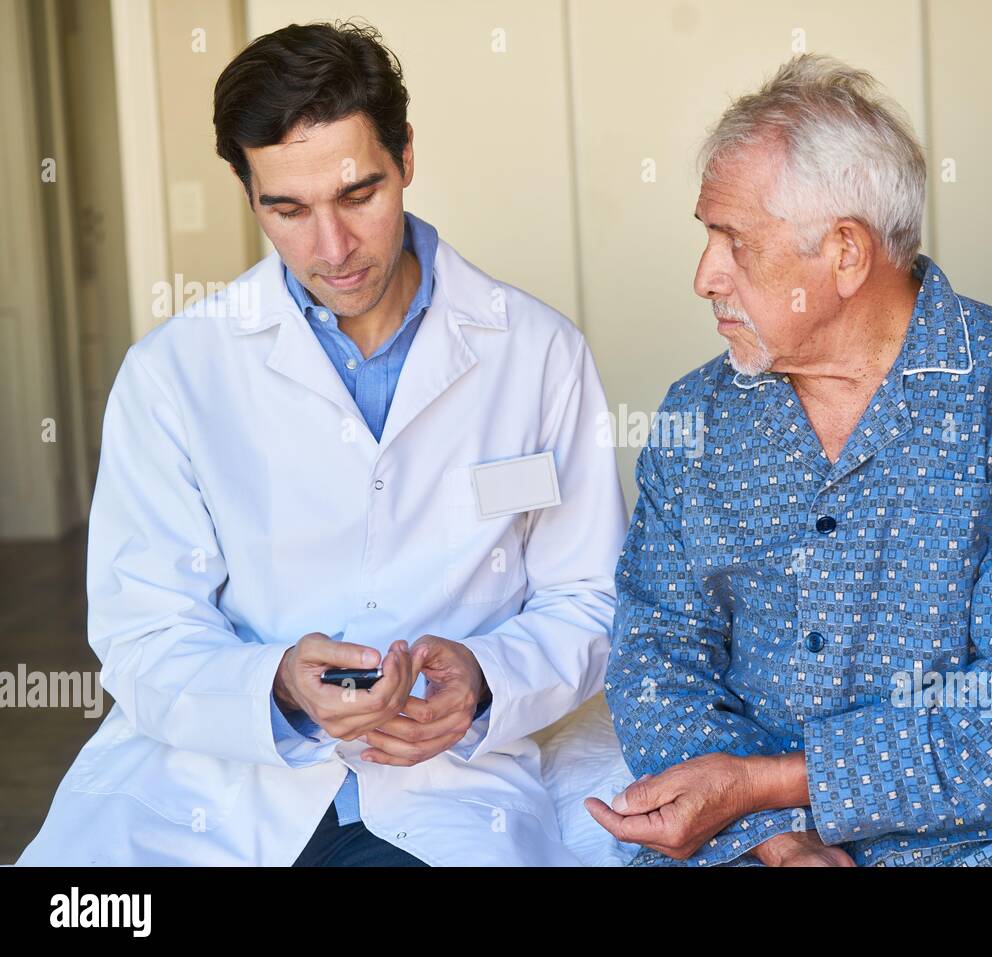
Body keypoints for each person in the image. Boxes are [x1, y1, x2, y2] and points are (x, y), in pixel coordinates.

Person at [19, 21, 625, 866]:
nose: (332, 249)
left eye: (357, 195)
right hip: (213, 795)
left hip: (444, 789)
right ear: (248, 192)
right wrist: (275, 685)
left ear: (405, 157)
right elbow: (142, 629)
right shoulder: (174, 374)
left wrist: (486, 676)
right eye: (288, 209)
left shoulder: (537, 353)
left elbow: (591, 597)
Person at [586, 54, 992, 867]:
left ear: (847, 255)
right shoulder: (698, 417)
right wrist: (774, 838)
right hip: (756, 838)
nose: (704, 275)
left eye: (735, 241)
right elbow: (656, 655)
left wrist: (768, 781)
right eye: (705, 234)